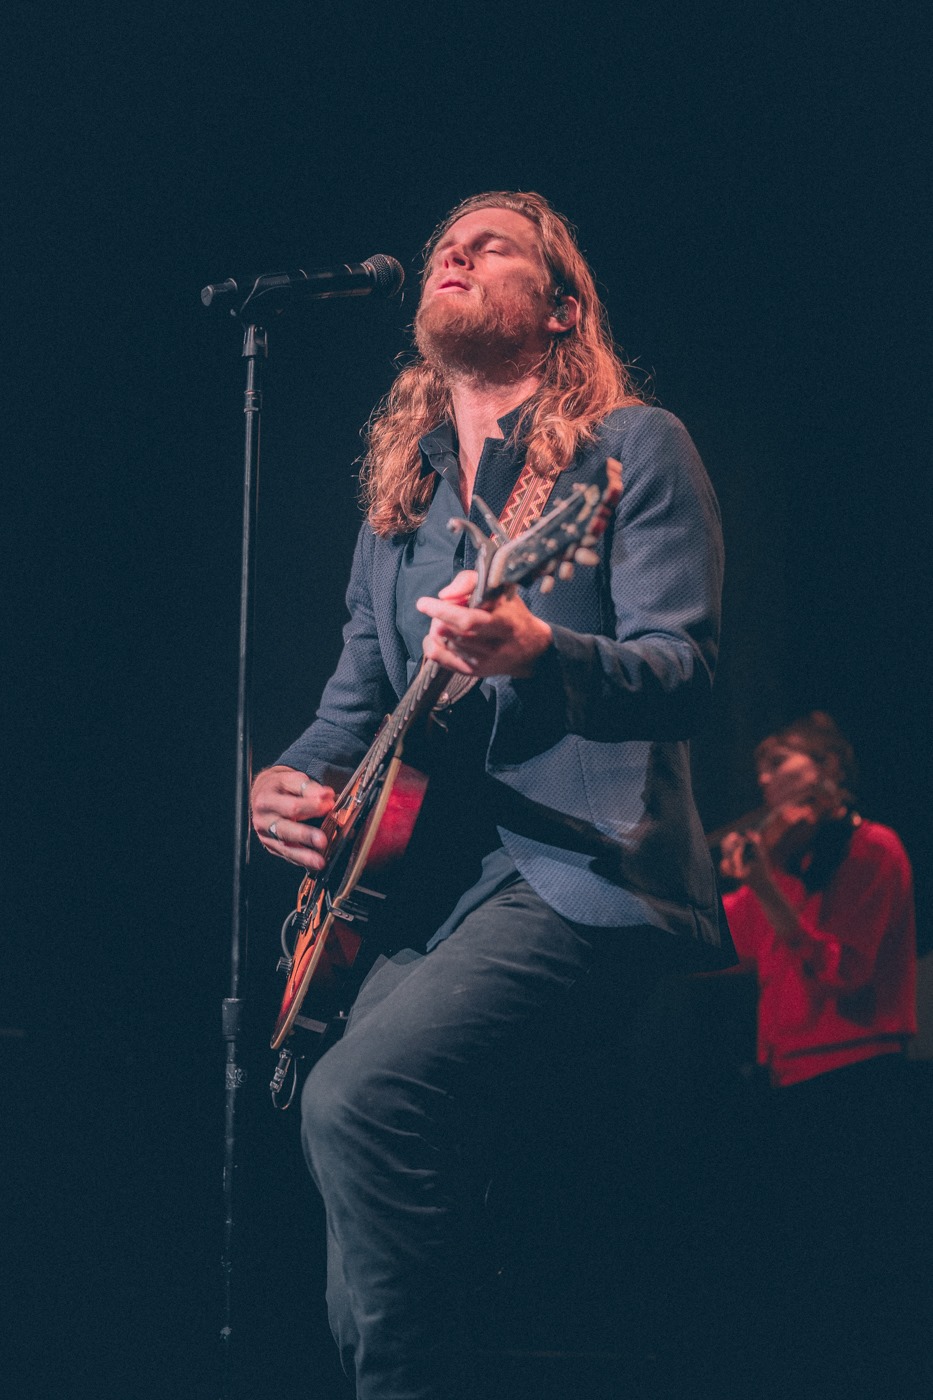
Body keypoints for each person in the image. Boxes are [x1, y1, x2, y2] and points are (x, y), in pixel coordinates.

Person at [250, 190, 733, 1400]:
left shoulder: (630, 451)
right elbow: (355, 703)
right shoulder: (401, 507)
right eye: (443, 247)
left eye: (492, 244)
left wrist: (540, 650)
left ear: (561, 306)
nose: (453, 253)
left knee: (362, 1096)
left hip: (582, 862)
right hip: (429, 888)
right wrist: (288, 782)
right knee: (341, 1143)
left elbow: (686, 672)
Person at [720, 712, 920, 1398]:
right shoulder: (791, 860)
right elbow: (736, 941)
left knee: (849, 1268)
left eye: (780, 762)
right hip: (788, 1075)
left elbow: (846, 971)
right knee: (796, 1267)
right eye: (761, 769)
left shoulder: (871, 849)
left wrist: (767, 886)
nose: (765, 779)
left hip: (854, 1073)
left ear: (829, 768)